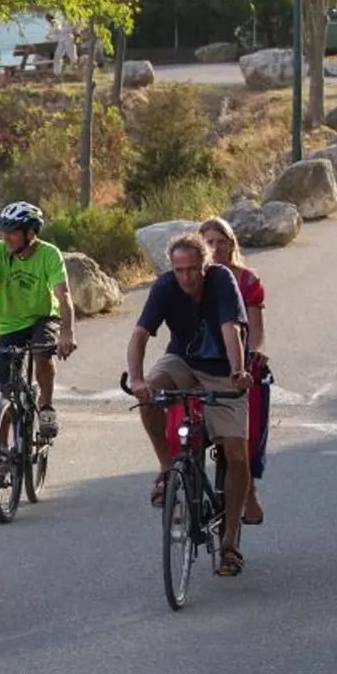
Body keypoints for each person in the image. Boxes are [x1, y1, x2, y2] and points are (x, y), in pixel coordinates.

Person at [126, 232, 254, 577]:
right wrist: (138, 380)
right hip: (182, 361)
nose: (186, 277)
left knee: (237, 455)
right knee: (149, 396)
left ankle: (229, 544)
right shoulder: (166, 286)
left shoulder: (222, 281)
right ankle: (168, 469)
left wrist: (239, 371)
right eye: (179, 270)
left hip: (223, 369)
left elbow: (232, 330)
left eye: (192, 269)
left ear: (205, 265)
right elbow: (139, 335)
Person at [0, 202, 77, 441]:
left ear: (30, 233)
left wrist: (67, 332)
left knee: (42, 350)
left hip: (43, 317)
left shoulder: (49, 254)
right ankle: (1, 454)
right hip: (10, 325)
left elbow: (64, 296)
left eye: (13, 232)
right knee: (0, 392)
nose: (6, 237)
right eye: (4, 231)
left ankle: (47, 407)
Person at [198, 218, 269, 525]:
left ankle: (248, 485)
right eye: (209, 242)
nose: (216, 248)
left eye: (221, 242)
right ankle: (177, 477)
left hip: (236, 365)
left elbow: (255, 329)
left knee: (246, 428)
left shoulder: (247, 281)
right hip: (200, 361)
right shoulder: (190, 278)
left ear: (232, 244)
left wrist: (256, 352)